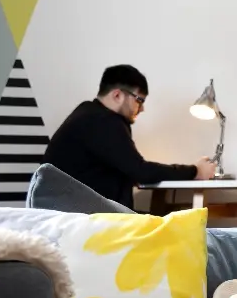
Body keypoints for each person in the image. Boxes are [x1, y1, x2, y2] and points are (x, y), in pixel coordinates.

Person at [42, 65, 217, 209]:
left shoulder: (89, 114)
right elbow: (141, 171)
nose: (141, 108)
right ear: (117, 95)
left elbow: (129, 169)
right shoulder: (102, 121)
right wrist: (196, 170)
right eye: (139, 100)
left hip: (72, 213)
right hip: (81, 218)